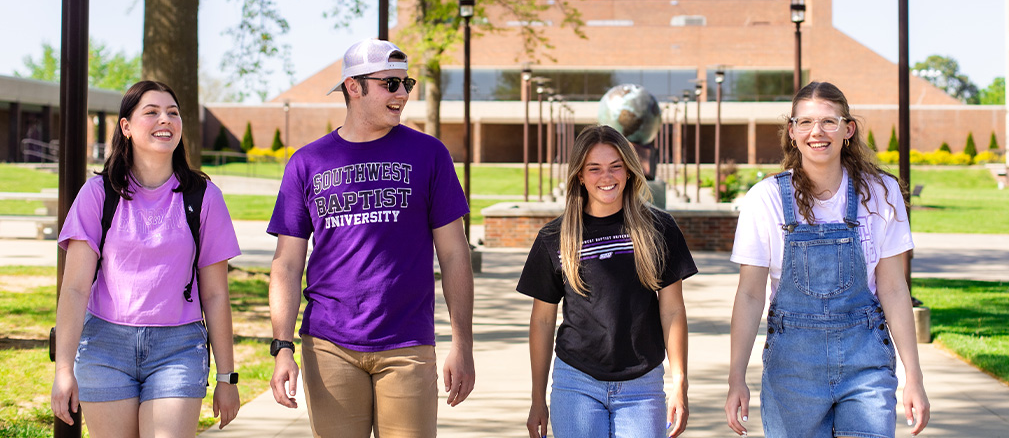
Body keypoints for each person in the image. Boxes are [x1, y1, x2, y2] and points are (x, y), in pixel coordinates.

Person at [267, 39, 474, 437]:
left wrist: (462, 343)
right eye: (389, 84)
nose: (402, 95)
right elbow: (287, 263)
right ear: (353, 87)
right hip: (328, 343)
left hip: (408, 342)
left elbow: (454, 255)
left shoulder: (429, 154)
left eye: (406, 84)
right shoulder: (307, 162)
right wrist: (282, 347)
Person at [725, 82, 930, 437]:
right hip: (792, 367)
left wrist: (914, 376)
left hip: (865, 360)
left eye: (828, 122)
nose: (816, 132)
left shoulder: (880, 192)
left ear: (848, 129)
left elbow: (894, 288)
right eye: (804, 123)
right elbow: (750, 294)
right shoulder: (766, 198)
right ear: (791, 131)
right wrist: (735, 379)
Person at [50, 80, 242, 435]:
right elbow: (75, 289)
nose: (164, 120)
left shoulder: (204, 197)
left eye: (172, 113)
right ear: (125, 126)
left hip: (178, 349)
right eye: (151, 112)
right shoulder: (98, 194)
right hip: (105, 347)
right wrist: (63, 369)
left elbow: (215, 295)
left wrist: (227, 377)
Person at [518, 124, 697, 438]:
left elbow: (672, 312)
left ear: (629, 171)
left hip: (643, 382)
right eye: (595, 168)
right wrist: (537, 398)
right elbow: (542, 321)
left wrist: (679, 383)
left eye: (616, 167)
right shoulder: (554, 237)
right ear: (580, 176)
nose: (607, 177)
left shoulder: (659, 227)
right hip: (576, 381)